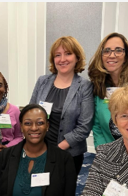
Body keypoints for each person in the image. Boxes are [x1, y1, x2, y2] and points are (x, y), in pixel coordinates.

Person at [0, 104, 77, 196]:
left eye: (40, 123)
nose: (34, 128)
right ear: (21, 127)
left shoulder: (64, 159)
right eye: (27, 123)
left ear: (47, 126)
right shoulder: (5, 156)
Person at [29, 36, 94, 176]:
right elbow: (30, 114)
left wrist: (56, 150)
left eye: (68, 53)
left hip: (69, 154)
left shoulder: (84, 87)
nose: (62, 59)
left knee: (64, 194)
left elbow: (84, 127)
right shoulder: (42, 81)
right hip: (39, 150)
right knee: (38, 192)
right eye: (57, 55)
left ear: (77, 57)